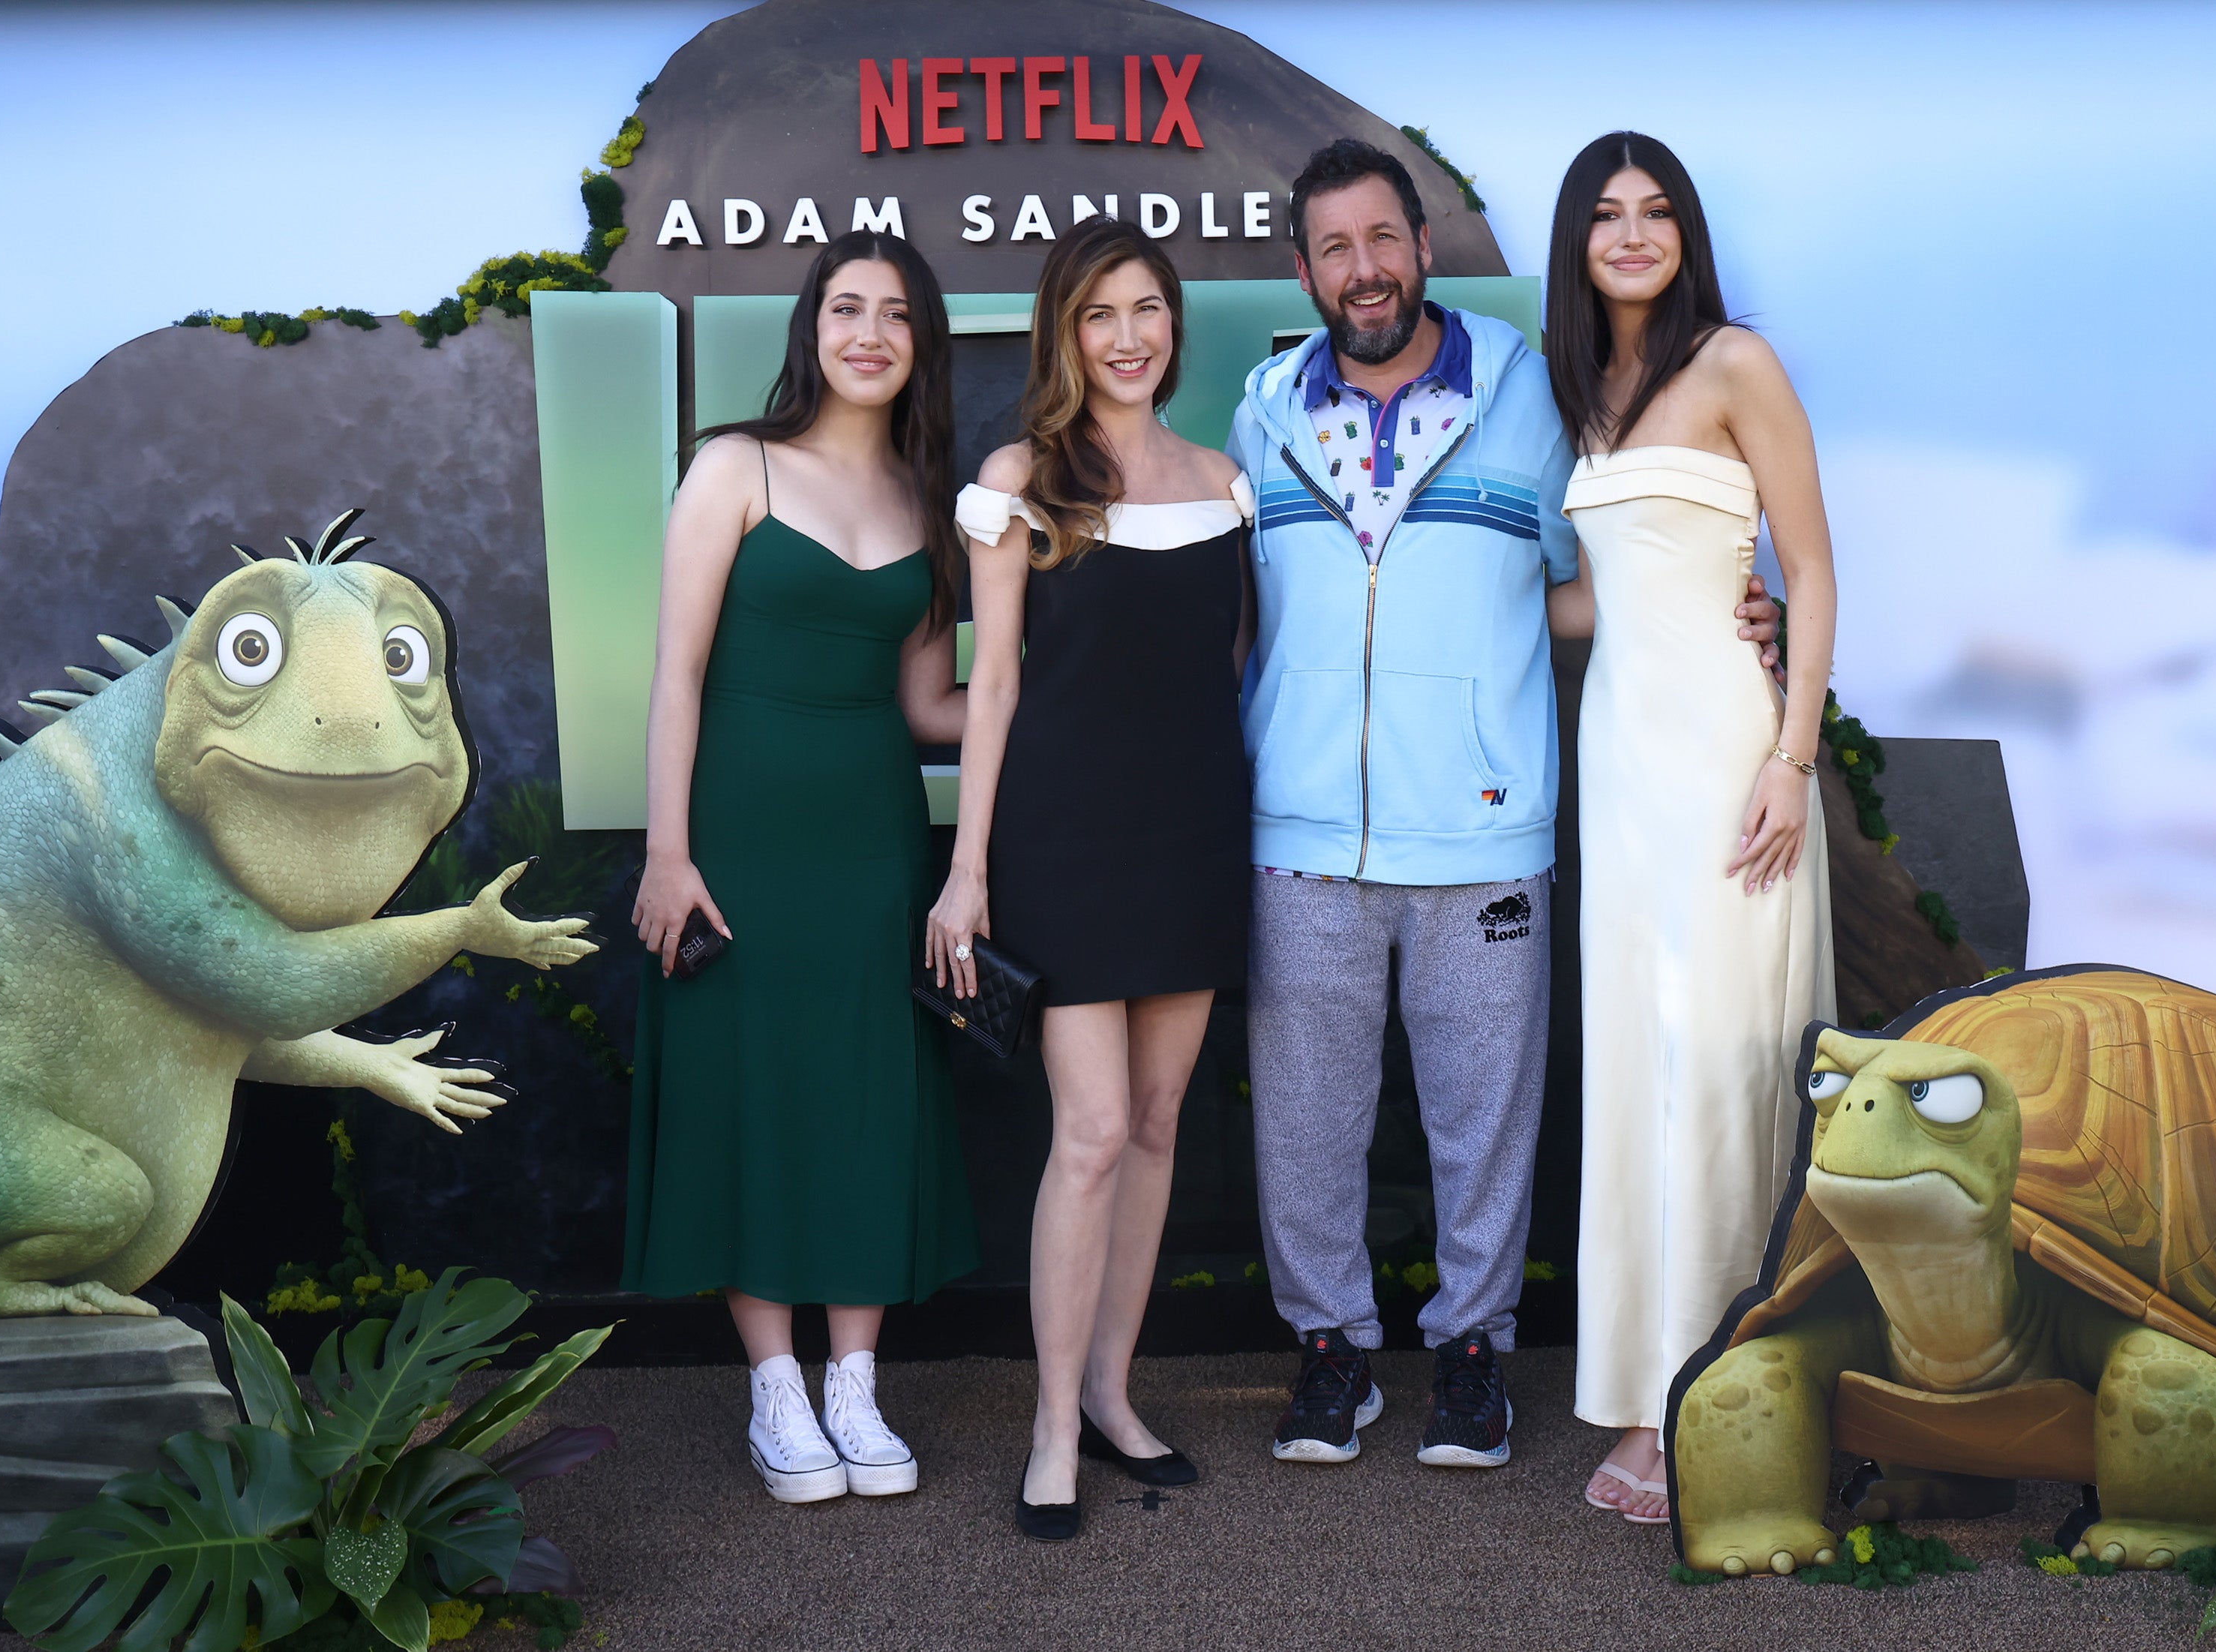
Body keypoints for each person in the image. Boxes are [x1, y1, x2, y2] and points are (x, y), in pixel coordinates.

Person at [1229, 139, 1788, 1471]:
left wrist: (1723, 614)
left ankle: (1472, 1352)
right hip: (1305, 826)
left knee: (1486, 1115)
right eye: (1334, 248)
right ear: (1304, 269)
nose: (1364, 269)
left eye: (1383, 238)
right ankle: (1333, 1353)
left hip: (1483, 823)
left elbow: (1596, 581)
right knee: (1304, 1118)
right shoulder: (1259, 411)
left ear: (1421, 245)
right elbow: (1240, 610)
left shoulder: (1533, 394)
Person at [624, 230, 980, 1507]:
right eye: (847, 308)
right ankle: (774, 1384)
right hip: (738, 842)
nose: (870, 331)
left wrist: (1072, 695)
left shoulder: (931, 508)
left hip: (873, 843)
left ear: (919, 341)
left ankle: (855, 1382)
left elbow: (935, 706)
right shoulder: (734, 466)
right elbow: (675, 672)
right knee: (752, 1094)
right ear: (811, 329)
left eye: (894, 312)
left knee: (868, 1092)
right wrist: (670, 852)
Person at [926, 216, 1254, 1542]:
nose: (1129, 335)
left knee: (1165, 1120)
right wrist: (967, 870)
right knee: (1096, 1130)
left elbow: (1225, 668)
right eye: (1101, 313)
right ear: (1065, 332)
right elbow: (992, 682)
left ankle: (1117, 1395)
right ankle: (1053, 1422)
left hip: (1187, 840)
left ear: (1173, 325)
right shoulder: (1020, 480)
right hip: (1059, 842)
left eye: (1149, 309)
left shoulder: (1225, 480)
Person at [1543, 131, 1839, 1524]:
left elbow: (1813, 566)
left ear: (1686, 230)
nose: (1634, 232)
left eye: (1657, 210)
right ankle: (1645, 1382)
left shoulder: (1736, 361)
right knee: (1638, 1072)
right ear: (1578, 241)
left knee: (1722, 1072)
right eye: (1607, 214)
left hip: (1732, 758)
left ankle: (1714, 1393)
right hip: (1620, 765)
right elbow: (1608, 601)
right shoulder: (1586, 388)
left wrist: (1792, 756)